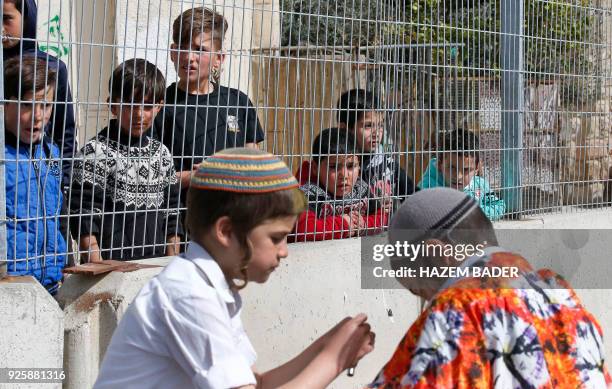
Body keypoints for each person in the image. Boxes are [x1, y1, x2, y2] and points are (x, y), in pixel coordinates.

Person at [93, 148, 375, 388]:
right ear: (226, 232)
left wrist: (328, 345)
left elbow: (259, 382)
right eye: (276, 238)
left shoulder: (211, 287)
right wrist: (333, 359)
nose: (284, 251)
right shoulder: (188, 294)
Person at [369, 188, 611, 388]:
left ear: (437, 253)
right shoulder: (558, 292)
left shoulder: (453, 312)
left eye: (419, 290)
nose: (426, 304)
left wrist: (334, 359)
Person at [69, 59, 183, 262]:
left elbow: (172, 213)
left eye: (148, 106)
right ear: (112, 105)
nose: (139, 114)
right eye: (130, 104)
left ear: (159, 107)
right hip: (112, 271)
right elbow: (84, 218)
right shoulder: (94, 153)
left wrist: (170, 264)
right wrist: (99, 270)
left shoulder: (162, 154)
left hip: (156, 268)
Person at [154, 6, 265, 199]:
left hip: (236, 215)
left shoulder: (238, 101)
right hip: (182, 221)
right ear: (173, 52)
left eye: (200, 50)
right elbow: (149, 176)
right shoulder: (159, 106)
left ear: (219, 59)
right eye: (183, 48)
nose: (189, 58)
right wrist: (195, 176)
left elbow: (254, 165)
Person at [3, 55, 67, 294]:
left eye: (46, 105)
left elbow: (58, 214)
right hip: (11, 283)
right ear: (5, 104)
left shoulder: (51, 152)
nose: (39, 116)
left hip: (51, 280)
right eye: (27, 105)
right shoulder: (2, 158)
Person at [2, 0, 76, 189]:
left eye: (6, 18)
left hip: (41, 174)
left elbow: (64, 132)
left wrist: (64, 183)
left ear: (27, 18)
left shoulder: (52, 68)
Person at [294, 128, 389, 241]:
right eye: (334, 167)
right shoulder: (310, 194)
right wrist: (344, 225)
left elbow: (383, 217)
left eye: (350, 166)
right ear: (315, 168)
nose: (344, 175)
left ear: (359, 165)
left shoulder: (361, 189)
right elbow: (303, 229)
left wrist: (364, 224)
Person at [335, 89, 417, 202]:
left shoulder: (389, 166)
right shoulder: (333, 168)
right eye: (368, 126)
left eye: (380, 125)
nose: (377, 133)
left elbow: (415, 198)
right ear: (344, 128)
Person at [418, 129, 505, 220]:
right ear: (440, 165)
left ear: (476, 168)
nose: (458, 176)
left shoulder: (481, 185)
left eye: (466, 169)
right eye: (452, 168)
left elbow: (498, 205)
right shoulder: (428, 186)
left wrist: (474, 214)